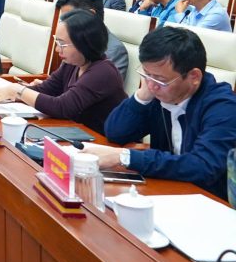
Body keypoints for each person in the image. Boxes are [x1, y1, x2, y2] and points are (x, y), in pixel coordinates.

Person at [83, 26, 236, 200]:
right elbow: (115, 133)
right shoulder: (158, 93)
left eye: (160, 79)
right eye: (147, 75)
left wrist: (125, 157)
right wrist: (142, 96)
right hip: (169, 191)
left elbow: (203, 166)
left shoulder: (223, 108)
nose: (152, 85)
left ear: (194, 77)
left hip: (211, 201)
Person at [0, 9, 127, 134]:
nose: (57, 49)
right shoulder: (73, 62)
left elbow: (62, 107)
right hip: (75, 134)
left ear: (84, 44)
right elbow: (45, 89)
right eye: (57, 41)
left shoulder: (103, 72)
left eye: (62, 44)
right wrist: (1, 91)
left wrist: (17, 90)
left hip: (102, 144)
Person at [55, 0, 129, 82]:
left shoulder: (114, 51)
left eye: (69, 19)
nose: (64, 24)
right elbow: (60, 82)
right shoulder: (71, 42)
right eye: (63, 19)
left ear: (91, 15)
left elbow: (98, 90)